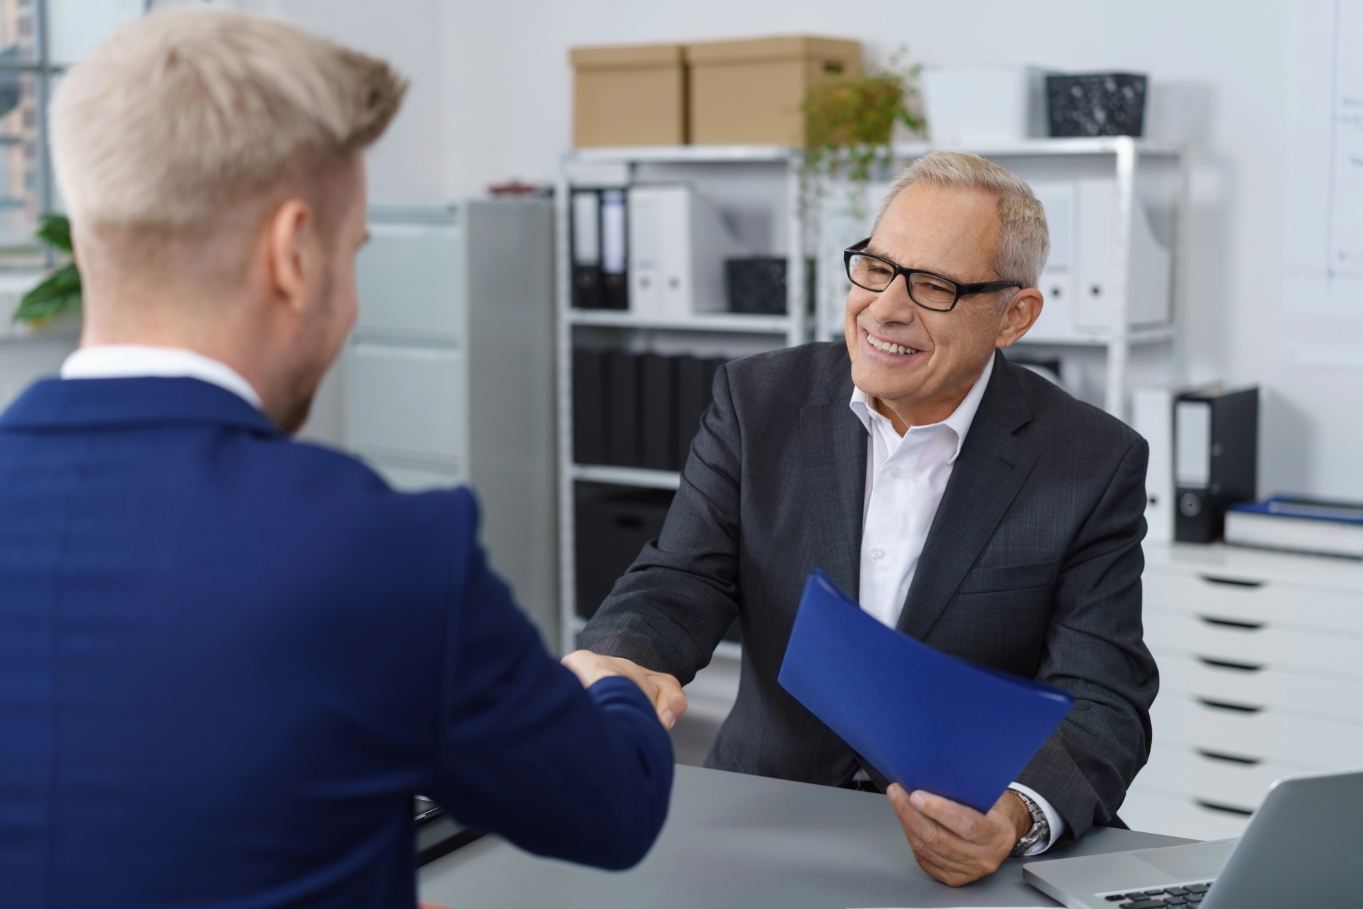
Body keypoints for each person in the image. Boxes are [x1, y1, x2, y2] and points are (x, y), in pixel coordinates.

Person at [0, 9, 682, 909]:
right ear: (292, 252)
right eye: (354, 251)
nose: (354, 299)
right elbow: (611, 810)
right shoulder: (375, 546)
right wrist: (610, 689)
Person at [580, 151, 1159, 887]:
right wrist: (626, 656)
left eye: (934, 286)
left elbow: (1102, 695)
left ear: (1013, 315)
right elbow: (679, 576)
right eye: (875, 267)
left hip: (965, 850)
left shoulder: (1091, 460)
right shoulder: (757, 401)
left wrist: (1011, 812)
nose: (885, 306)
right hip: (767, 816)